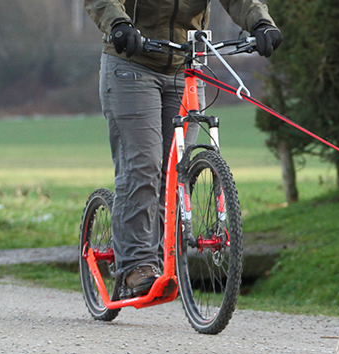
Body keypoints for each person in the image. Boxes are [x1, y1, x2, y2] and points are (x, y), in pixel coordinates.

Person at [85, 0, 282, 299]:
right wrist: (118, 24)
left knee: (176, 173)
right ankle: (136, 266)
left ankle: (164, 261)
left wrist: (261, 22)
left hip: (185, 65)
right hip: (132, 63)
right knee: (144, 166)